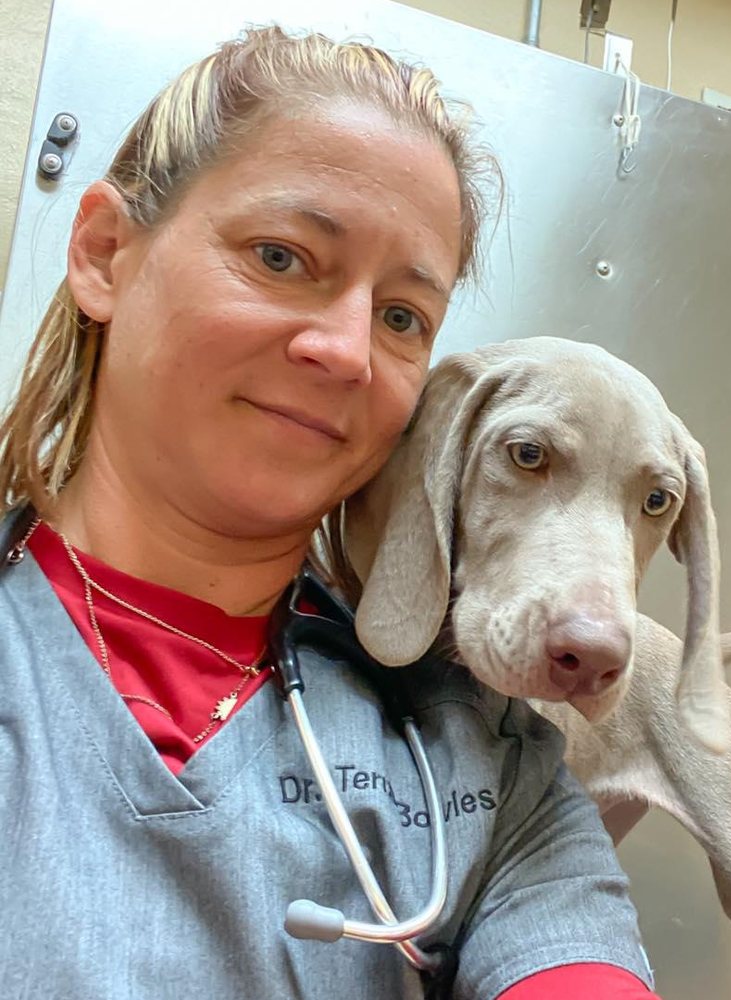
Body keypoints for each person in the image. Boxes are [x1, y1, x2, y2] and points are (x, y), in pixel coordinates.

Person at [0, 26, 663, 1000]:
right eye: (282, 256)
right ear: (105, 253)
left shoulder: (486, 758)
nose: (347, 351)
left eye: (401, 317)